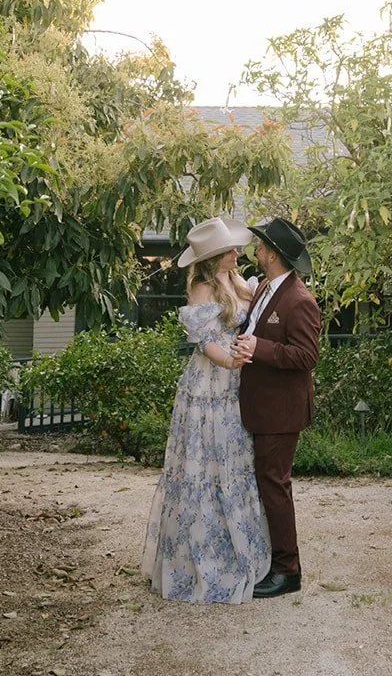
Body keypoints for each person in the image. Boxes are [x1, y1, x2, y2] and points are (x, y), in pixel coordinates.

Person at [141, 216, 271, 603]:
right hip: (210, 387)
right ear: (213, 258)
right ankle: (202, 562)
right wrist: (231, 360)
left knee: (235, 463)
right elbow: (208, 343)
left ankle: (242, 551)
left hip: (237, 384)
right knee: (205, 465)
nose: (237, 253)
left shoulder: (240, 282)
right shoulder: (202, 289)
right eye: (229, 250)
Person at [231, 216, 320, 598]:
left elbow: (306, 356)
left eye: (262, 245)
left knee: (275, 486)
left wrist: (259, 348)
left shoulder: (299, 301)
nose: (258, 249)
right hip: (261, 405)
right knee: (267, 485)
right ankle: (273, 559)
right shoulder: (266, 287)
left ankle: (288, 570)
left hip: (281, 412)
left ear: (274, 254)